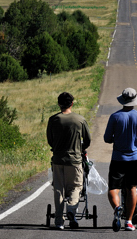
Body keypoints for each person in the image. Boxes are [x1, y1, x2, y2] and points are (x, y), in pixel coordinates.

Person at [104, 88, 137, 232]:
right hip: (135, 158)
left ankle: (118, 208)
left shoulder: (115, 116)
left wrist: (115, 140)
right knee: (132, 188)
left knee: (113, 188)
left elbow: (106, 138)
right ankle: (129, 221)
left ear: (122, 100)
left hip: (118, 157)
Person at [47, 92, 91, 230]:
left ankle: (59, 221)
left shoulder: (53, 120)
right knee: (76, 187)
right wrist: (80, 148)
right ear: (72, 103)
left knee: (59, 189)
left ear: (59, 103)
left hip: (58, 159)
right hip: (74, 159)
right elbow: (88, 140)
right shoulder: (80, 120)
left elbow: (50, 140)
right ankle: (71, 210)